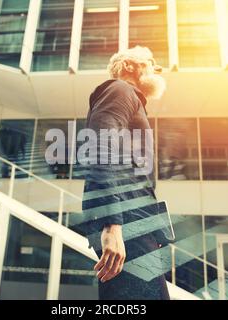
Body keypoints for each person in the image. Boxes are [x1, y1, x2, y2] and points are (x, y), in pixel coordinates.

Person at [75, 46, 174, 300]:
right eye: (151, 63)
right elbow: (99, 147)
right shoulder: (119, 90)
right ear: (130, 65)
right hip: (126, 224)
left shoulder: (133, 101)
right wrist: (112, 224)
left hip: (136, 224)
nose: (156, 69)